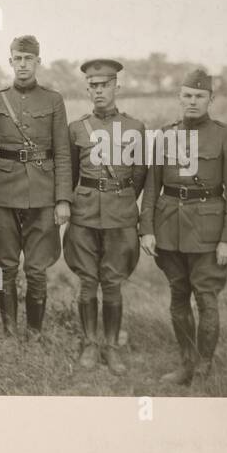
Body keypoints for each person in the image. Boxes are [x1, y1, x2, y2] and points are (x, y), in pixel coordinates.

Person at [139, 68, 227, 384]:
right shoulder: (163, 135)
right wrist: (147, 228)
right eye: (187, 95)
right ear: (179, 97)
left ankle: (203, 369)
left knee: (206, 299)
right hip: (169, 228)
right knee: (178, 296)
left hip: (209, 235)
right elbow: (151, 185)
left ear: (211, 99)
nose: (193, 101)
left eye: (200, 96)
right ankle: (186, 364)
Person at [0, 35, 72, 334]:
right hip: (4, 194)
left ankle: (34, 334)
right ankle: (9, 333)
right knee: (4, 266)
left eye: (28, 59)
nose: (23, 64)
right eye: (17, 59)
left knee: (36, 269)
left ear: (38, 62)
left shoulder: (53, 100)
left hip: (43, 194)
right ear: (10, 62)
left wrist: (62, 199)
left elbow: (62, 152)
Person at [64, 59, 148, 376]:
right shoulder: (76, 128)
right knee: (88, 283)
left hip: (120, 213)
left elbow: (139, 175)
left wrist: (121, 197)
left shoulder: (135, 128)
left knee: (112, 283)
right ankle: (89, 343)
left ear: (117, 87)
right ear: (88, 89)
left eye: (105, 85)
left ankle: (111, 347)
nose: (99, 91)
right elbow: (70, 174)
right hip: (84, 214)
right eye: (93, 86)